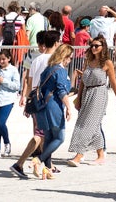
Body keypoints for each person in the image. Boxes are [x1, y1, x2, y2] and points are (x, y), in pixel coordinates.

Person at [9, 29, 58, 178]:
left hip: (36, 99)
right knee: (41, 135)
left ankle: (46, 167)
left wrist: (27, 100)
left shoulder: (36, 60)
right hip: (47, 102)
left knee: (44, 136)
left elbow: (30, 83)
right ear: (56, 43)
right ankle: (19, 163)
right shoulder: (54, 61)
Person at [68, 35, 116, 166]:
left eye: (96, 46)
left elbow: (114, 83)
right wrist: (79, 98)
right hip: (87, 93)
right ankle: (101, 155)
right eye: (92, 45)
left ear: (103, 47)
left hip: (99, 94)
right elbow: (82, 83)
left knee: (88, 124)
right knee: (93, 125)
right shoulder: (88, 60)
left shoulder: (107, 63)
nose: (93, 48)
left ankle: (79, 154)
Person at [32, 43, 74, 178]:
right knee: (60, 138)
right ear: (65, 56)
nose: (70, 61)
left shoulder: (48, 69)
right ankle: (38, 159)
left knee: (49, 138)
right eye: (70, 58)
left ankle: (47, 169)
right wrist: (68, 107)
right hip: (54, 106)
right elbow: (62, 91)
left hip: (43, 106)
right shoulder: (60, 71)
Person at [0, 49, 21, 157]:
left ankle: (7, 143)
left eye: (3, 59)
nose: (1, 61)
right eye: (0, 59)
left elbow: (16, 86)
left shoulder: (13, 70)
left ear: (9, 59)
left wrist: (4, 81)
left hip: (7, 100)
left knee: (1, 123)